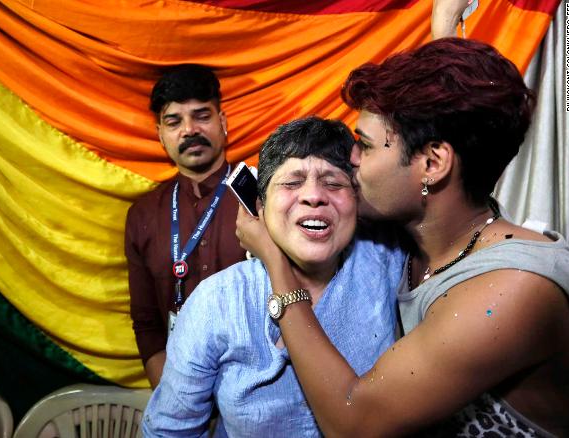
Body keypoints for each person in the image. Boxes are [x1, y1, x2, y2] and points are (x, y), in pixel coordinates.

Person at [237, 38, 569, 437]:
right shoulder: (415, 232)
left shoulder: (514, 293)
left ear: (433, 163)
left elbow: (353, 422)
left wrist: (277, 266)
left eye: (364, 144)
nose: (352, 159)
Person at [143, 117, 406, 436]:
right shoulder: (217, 301)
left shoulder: (391, 265)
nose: (313, 196)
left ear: (357, 200)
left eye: (333, 183)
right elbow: (169, 431)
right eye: (292, 182)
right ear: (259, 207)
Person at [125, 65, 246, 388]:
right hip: (180, 388)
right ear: (159, 135)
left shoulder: (262, 195)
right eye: (174, 121)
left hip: (261, 387)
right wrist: (173, 399)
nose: (190, 130)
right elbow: (147, 323)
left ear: (223, 123)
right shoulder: (143, 215)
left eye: (202, 116)